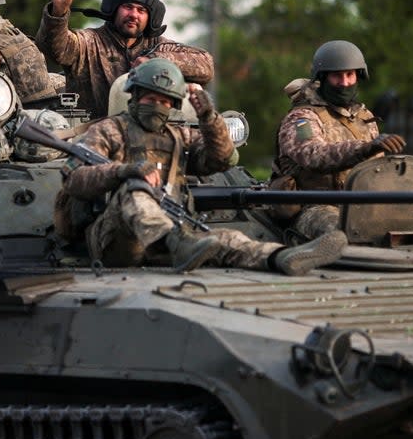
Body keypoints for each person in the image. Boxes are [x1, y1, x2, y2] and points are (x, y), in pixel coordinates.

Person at [61, 59, 348, 276]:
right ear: (134, 97)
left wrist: (209, 118)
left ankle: (283, 257)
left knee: (229, 240)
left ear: (173, 105)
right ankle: (177, 241)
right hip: (114, 239)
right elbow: (74, 179)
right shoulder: (110, 130)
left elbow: (222, 159)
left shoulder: (177, 136)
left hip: (173, 237)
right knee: (136, 188)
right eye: (150, 99)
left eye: (164, 101)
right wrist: (123, 171)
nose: (156, 106)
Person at [268, 40, 407, 240]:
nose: (344, 83)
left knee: (407, 227)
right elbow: (313, 155)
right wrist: (365, 148)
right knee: (341, 232)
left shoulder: (365, 118)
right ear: (323, 78)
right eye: (337, 76)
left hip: (362, 205)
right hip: (314, 207)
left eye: (350, 75)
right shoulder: (302, 118)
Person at [36, 0, 214, 117]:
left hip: (149, 140)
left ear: (151, 16)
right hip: (92, 139)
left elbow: (206, 65)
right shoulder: (89, 43)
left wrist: (155, 61)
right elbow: (55, 48)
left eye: (141, 10)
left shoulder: (158, 45)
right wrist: (58, 11)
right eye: (127, 7)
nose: (133, 15)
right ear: (114, 9)